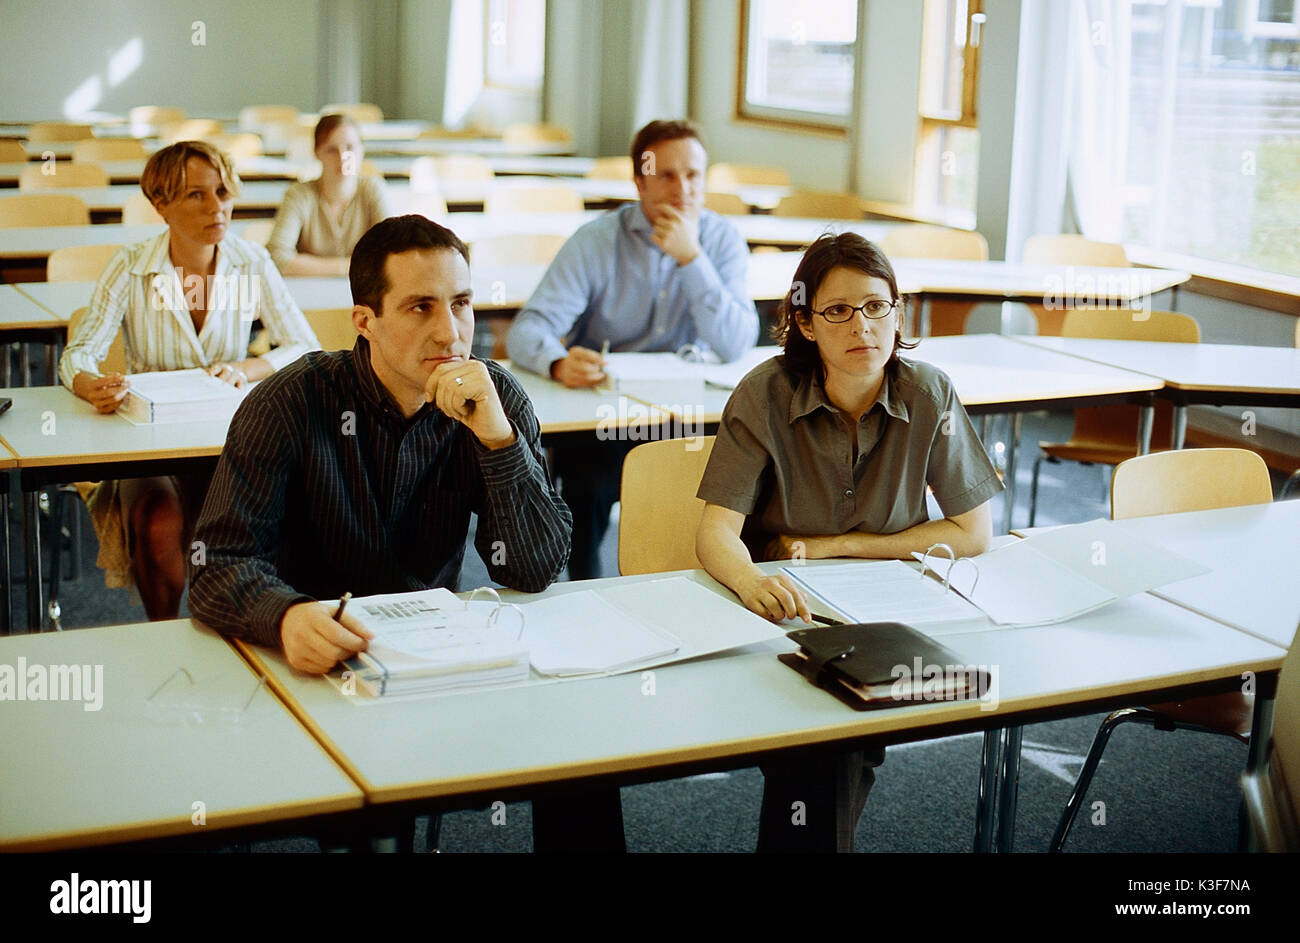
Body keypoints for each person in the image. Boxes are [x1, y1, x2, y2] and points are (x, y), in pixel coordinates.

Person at [188, 216, 621, 851]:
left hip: (433, 655)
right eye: (421, 307)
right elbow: (217, 562)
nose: (450, 332)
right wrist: (282, 616)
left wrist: (498, 441)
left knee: (586, 757)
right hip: (312, 660)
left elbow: (531, 570)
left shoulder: (494, 397)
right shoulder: (290, 402)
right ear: (365, 320)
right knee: (372, 817)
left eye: (462, 303)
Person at [694, 233, 1003, 852]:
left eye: (876, 306)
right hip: (785, 610)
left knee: (831, 752)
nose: (863, 326)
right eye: (837, 311)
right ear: (805, 323)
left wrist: (841, 546)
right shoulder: (765, 394)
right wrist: (754, 579)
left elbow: (973, 533)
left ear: (897, 311)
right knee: (828, 752)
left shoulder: (928, 391)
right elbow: (714, 532)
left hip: (892, 608)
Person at [59, 140, 319, 620]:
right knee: (159, 522)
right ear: (160, 205)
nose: (217, 207)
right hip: (149, 438)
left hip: (225, 434)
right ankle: (165, 630)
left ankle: (227, 623)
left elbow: (304, 346)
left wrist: (248, 367)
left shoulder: (252, 261)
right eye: (196, 195)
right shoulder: (131, 264)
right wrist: (87, 383)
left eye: (222, 192)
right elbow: (79, 352)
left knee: (235, 527)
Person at [505, 118, 759, 579]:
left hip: (689, 416)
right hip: (604, 419)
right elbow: (528, 330)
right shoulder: (597, 240)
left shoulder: (722, 241)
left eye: (693, 175)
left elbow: (736, 342)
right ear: (639, 181)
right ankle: (583, 586)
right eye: (666, 175)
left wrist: (692, 260)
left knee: (738, 478)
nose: (682, 189)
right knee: (589, 484)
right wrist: (559, 362)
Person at [266, 113, 391, 276]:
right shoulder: (299, 195)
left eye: (350, 148)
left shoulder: (374, 189)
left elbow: (390, 255)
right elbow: (277, 258)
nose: (342, 158)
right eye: (332, 150)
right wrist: (350, 267)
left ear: (362, 150)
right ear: (317, 153)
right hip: (311, 296)